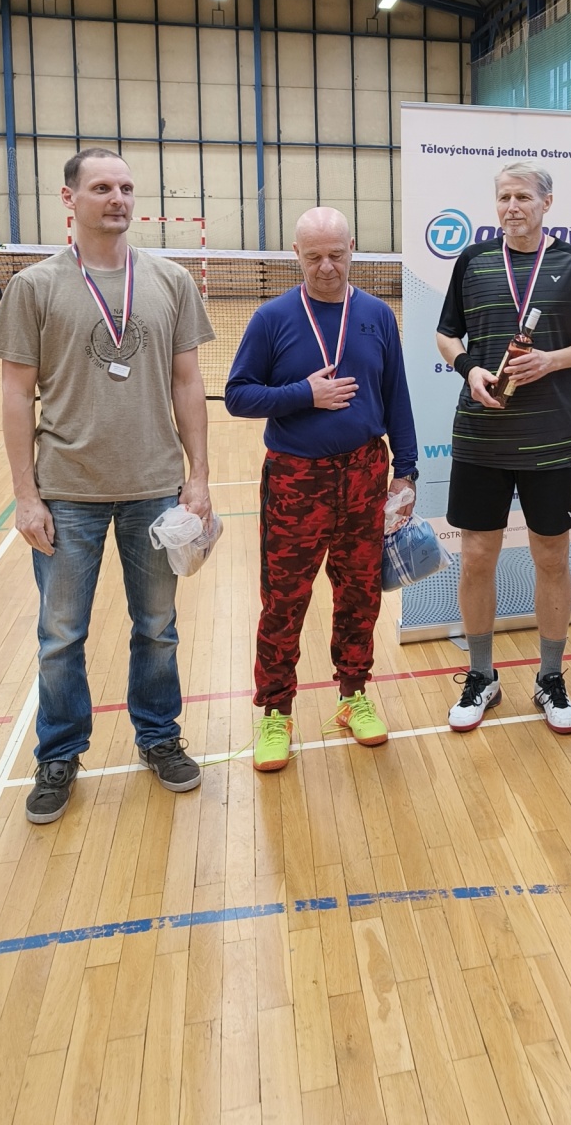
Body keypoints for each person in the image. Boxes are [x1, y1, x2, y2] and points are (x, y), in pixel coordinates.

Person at [0, 148, 213, 824]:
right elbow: (15, 394)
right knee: (61, 636)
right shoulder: (34, 286)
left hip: (155, 488)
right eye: (102, 187)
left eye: (126, 187)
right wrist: (26, 495)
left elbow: (187, 382)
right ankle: (58, 754)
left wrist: (199, 477)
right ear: (70, 198)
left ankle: (159, 736)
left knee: (158, 627)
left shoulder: (171, 280)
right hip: (66, 492)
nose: (118, 198)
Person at [225, 208, 417, 770]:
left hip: (365, 474)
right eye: (314, 257)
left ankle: (354, 695)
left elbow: (397, 394)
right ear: (296, 254)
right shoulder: (272, 318)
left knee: (360, 594)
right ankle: (275, 711)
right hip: (296, 479)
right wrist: (302, 395)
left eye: (336, 254)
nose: (327, 266)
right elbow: (238, 394)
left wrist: (405, 470)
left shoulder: (377, 315)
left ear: (353, 247)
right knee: (284, 600)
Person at [436, 163, 571, 733]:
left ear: (546, 203)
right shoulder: (472, 261)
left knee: (552, 558)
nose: (512, 206)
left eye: (523, 197)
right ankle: (481, 675)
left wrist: (551, 360)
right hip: (480, 436)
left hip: (550, 439)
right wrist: (469, 369)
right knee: (477, 557)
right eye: (504, 197)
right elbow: (446, 334)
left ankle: (550, 678)